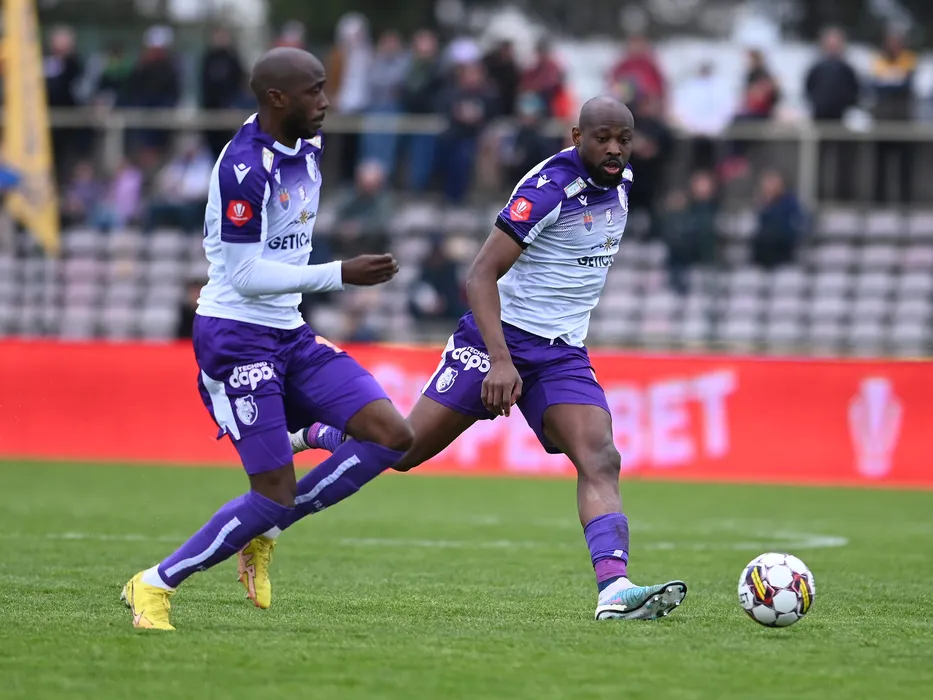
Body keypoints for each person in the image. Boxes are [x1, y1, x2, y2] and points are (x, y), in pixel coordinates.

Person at [284, 96, 687, 621]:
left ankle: (613, 589)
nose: (614, 149)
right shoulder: (548, 190)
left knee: (601, 457)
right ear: (576, 137)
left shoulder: (624, 180)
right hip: (496, 341)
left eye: (624, 140)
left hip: (560, 352)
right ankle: (318, 432)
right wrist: (500, 360)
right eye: (602, 138)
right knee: (401, 451)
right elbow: (478, 275)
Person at [120, 47, 414, 631]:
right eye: (314, 91)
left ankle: (270, 518)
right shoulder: (244, 168)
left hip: (289, 332)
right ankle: (153, 584)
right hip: (237, 337)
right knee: (272, 492)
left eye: (325, 87)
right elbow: (246, 275)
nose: (325, 101)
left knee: (392, 437)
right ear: (277, 98)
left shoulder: (309, 141)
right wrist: (340, 273)